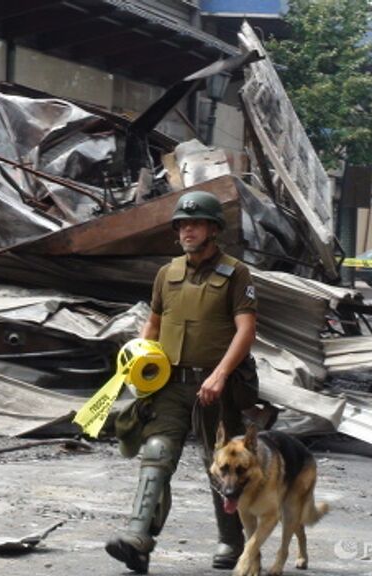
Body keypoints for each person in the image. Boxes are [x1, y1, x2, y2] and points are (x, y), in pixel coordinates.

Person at [106, 190, 271, 574]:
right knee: (157, 451)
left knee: (222, 462)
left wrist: (220, 374)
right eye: (182, 224)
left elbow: (246, 331)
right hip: (170, 385)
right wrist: (141, 363)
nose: (187, 230)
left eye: (195, 223)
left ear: (213, 229)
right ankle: (138, 539)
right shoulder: (168, 273)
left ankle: (232, 541)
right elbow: (154, 323)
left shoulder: (235, 273)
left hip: (216, 387)